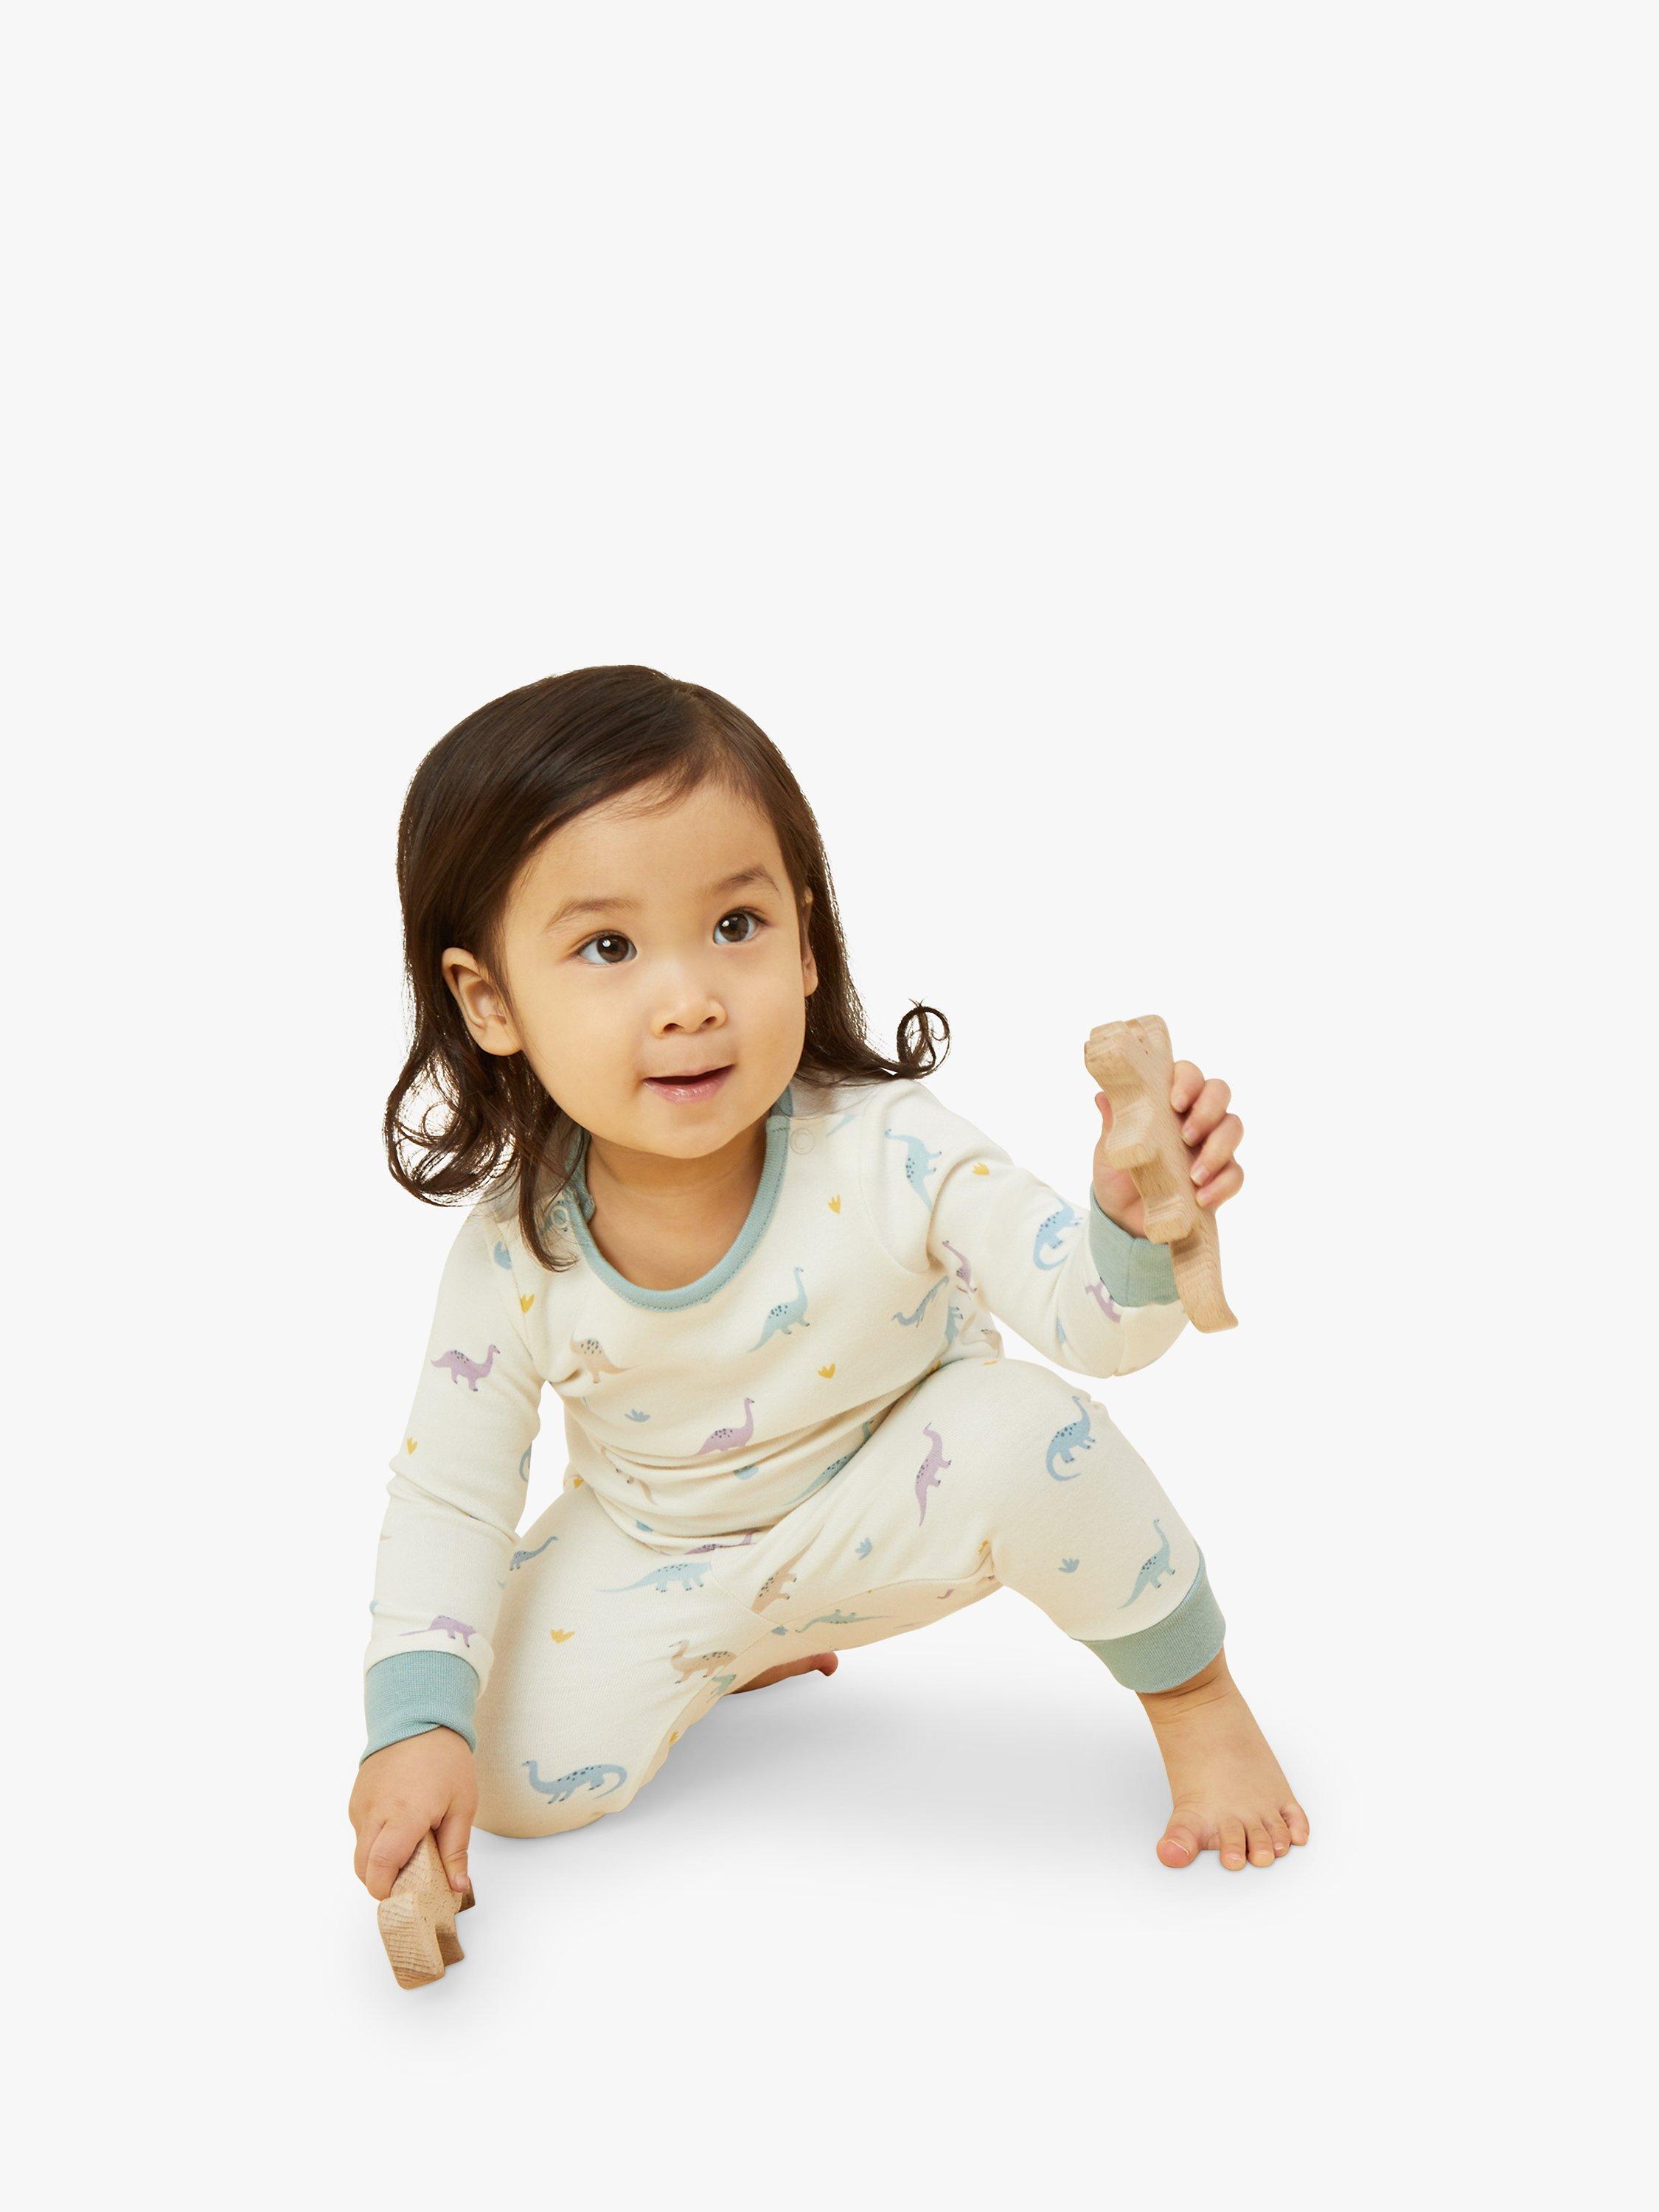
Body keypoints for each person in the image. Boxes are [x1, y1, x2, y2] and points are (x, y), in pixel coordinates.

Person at [348, 665, 1310, 1905]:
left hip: (904, 1501)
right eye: (607, 947)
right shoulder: (515, 1255)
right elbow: (450, 1493)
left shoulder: (889, 1149)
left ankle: (1195, 1698)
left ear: (804, 943)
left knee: (1030, 1435)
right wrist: (414, 1728)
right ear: (490, 1002)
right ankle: (742, 1644)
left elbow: (1098, 1334)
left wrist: (1131, 1227)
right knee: (504, 1778)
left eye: (735, 926)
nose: (690, 1000)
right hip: (663, 1547)